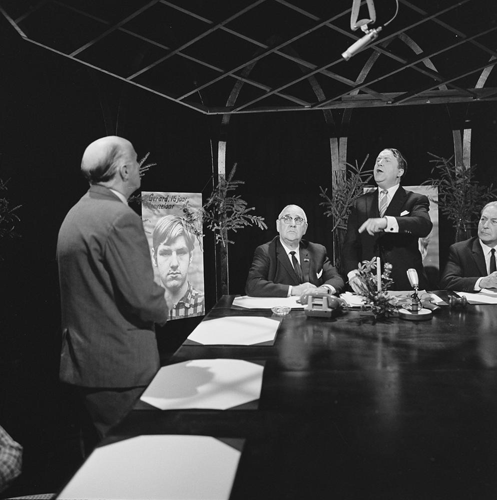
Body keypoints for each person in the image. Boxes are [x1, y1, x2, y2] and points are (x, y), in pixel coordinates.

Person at [57, 136, 169, 443]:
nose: (140, 166)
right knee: (135, 457)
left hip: (87, 365)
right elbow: (143, 298)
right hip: (121, 369)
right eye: (135, 159)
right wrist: (166, 304)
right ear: (124, 170)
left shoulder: (77, 213)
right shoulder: (119, 218)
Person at [342, 148, 433, 292]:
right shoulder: (360, 203)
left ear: (400, 172)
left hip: (405, 286)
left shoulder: (415, 200)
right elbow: (350, 245)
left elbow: (424, 225)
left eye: (387, 160)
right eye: (378, 160)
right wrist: (352, 274)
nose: (380, 163)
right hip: (368, 287)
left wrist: (386, 222)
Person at [245, 204, 344, 297]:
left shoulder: (317, 251)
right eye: (287, 219)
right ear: (278, 225)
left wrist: (323, 290)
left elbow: (336, 279)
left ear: (305, 228)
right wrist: (293, 290)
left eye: (298, 220)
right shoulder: (265, 251)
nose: (293, 224)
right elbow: (252, 284)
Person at [151, 214, 205, 319]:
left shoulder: (203, 304)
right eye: (165, 253)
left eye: (181, 252)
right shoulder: (144, 309)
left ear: (190, 256)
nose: (174, 263)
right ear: (154, 257)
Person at [440, 201, 497, 291]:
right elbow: (448, 282)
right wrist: (482, 282)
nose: (485, 226)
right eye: (483, 219)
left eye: (494, 221)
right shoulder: (460, 250)